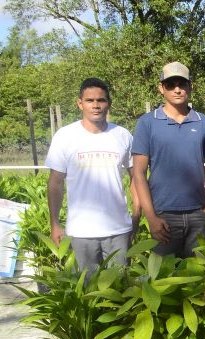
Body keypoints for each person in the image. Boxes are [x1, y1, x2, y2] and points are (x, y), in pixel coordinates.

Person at [45, 77, 138, 271]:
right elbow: (55, 183)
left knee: (120, 286)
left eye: (101, 100)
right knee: (87, 290)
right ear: (80, 103)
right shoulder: (65, 136)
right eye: (90, 100)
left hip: (118, 229)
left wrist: (136, 216)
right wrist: (55, 224)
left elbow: (136, 178)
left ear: (108, 103)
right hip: (81, 231)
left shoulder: (123, 135)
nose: (96, 105)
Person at [131, 61, 205, 257]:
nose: (177, 89)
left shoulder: (204, 123)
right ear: (161, 88)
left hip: (198, 214)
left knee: (198, 279)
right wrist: (151, 217)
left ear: (190, 87)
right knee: (164, 280)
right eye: (171, 84)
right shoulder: (147, 123)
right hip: (163, 217)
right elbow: (138, 173)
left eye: (182, 84)